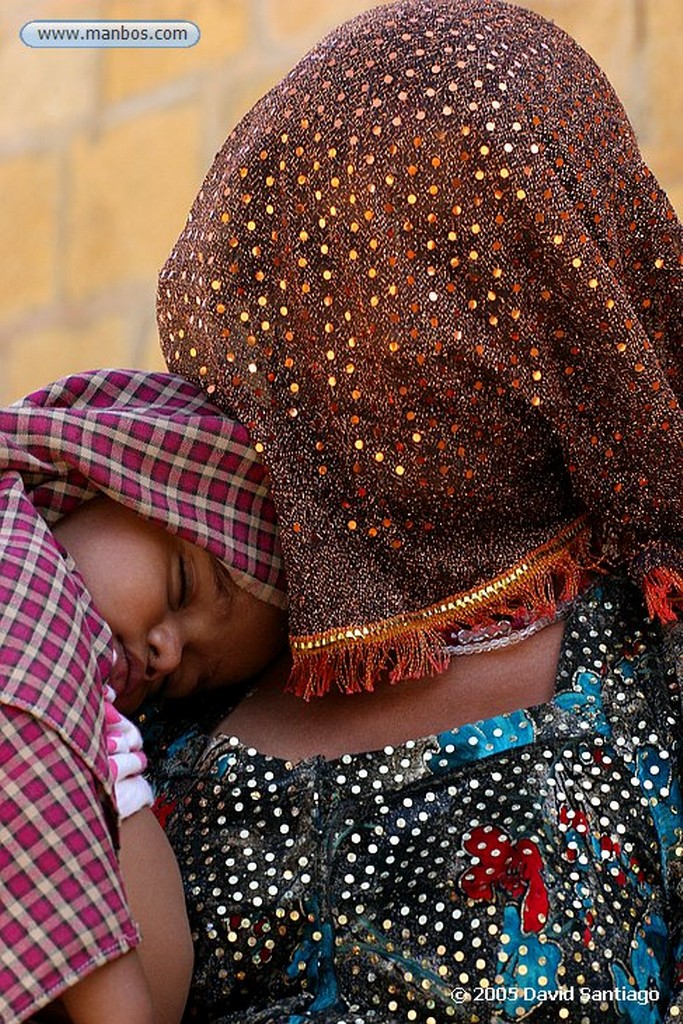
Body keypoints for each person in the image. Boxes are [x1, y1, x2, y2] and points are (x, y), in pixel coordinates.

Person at [150, 0, 682, 1019]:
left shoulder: (649, 669)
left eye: (368, 282)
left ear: (543, 290)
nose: (302, 341)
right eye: (271, 272)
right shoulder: (179, 643)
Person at [0, 368, 287, 1024]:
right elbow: (38, 799)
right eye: (184, 585)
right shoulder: (18, 567)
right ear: (95, 475)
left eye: (192, 676)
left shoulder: (81, 682)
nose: (167, 653)